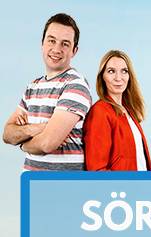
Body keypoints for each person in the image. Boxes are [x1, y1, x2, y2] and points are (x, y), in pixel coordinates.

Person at [4, 13, 90, 171]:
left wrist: (22, 144)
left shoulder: (75, 85)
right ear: (42, 44)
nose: (56, 49)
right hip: (32, 187)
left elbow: (47, 143)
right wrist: (36, 128)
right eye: (51, 40)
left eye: (65, 44)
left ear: (74, 51)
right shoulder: (33, 86)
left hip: (63, 188)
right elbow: (8, 134)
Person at [82, 48, 147, 170]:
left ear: (129, 76)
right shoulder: (100, 112)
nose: (118, 78)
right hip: (120, 188)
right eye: (111, 71)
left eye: (124, 71)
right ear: (103, 77)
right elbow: (97, 169)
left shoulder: (129, 112)